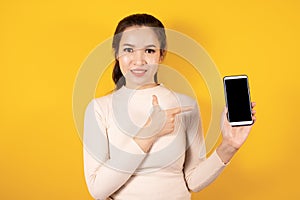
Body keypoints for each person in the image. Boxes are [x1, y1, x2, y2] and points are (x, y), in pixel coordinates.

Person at [83, 13, 256, 200]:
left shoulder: (185, 105)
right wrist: (149, 134)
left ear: (161, 54)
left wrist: (229, 146)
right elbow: (97, 190)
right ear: (117, 54)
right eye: (128, 50)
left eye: (149, 50)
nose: (139, 60)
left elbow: (192, 181)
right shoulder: (99, 108)